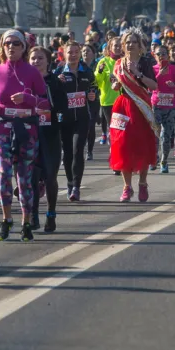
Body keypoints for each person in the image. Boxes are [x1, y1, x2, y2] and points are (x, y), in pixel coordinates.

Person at [0, 29, 49, 242]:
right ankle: (6, 219)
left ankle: (26, 222)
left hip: (26, 128)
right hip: (2, 126)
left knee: (24, 178)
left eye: (16, 44)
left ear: (23, 48)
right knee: (4, 170)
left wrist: (28, 99)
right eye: (7, 43)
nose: (11, 47)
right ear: (2, 47)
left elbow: (45, 104)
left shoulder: (32, 72)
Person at [108, 29, 158, 201]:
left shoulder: (145, 62)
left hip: (141, 107)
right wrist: (115, 85)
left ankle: (142, 183)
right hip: (122, 107)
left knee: (142, 145)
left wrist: (138, 74)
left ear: (139, 45)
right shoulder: (118, 64)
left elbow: (153, 86)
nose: (130, 45)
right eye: (127, 42)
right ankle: (127, 187)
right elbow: (114, 83)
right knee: (121, 145)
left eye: (133, 42)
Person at [28, 46, 66, 232]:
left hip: (50, 135)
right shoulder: (24, 81)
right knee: (33, 176)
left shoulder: (54, 82)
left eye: (40, 58)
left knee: (50, 177)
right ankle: (33, 214)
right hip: (30, 134)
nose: (36, 61)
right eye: (33, 58)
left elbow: (63, 106)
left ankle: (51, 213)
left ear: (48, 61)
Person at [55, 42, 97, 201]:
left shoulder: (86, 70)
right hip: (64, 119)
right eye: (70, 52)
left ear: (80, 54)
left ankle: (76, 186)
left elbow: (94, 87)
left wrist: (92, 94)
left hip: (82, 117)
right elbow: (51, 91)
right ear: (64, 54)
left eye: (75, 52)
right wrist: (57, 82)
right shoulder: (58, 71)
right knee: (67, 153)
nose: (73, 55)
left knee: (77, 149)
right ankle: (70, 182)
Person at [151, 45, 175, 173]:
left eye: (164, 54)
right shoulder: (152, 69)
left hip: (170, 107)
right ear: (154, 55)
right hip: (156, 106)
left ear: (168, 55)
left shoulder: (174, 69)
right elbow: (149, 87)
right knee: (154, 135)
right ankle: (153, 159)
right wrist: (159, 75)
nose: (161, 56)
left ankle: (164, 161)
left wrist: (174, 84)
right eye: (159, 54)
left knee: (166, 136)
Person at [94, 37, 122, 171]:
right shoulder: (103, 62)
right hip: (108, 102)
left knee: (124, 132)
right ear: (109, 47)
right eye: (114, 46)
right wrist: (99, 72)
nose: (117, 48)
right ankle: (115, 160)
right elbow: (97, 82)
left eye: (119, 45)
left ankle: (123, 158)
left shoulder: (125, 61)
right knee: (114, 132)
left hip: (124, 101)